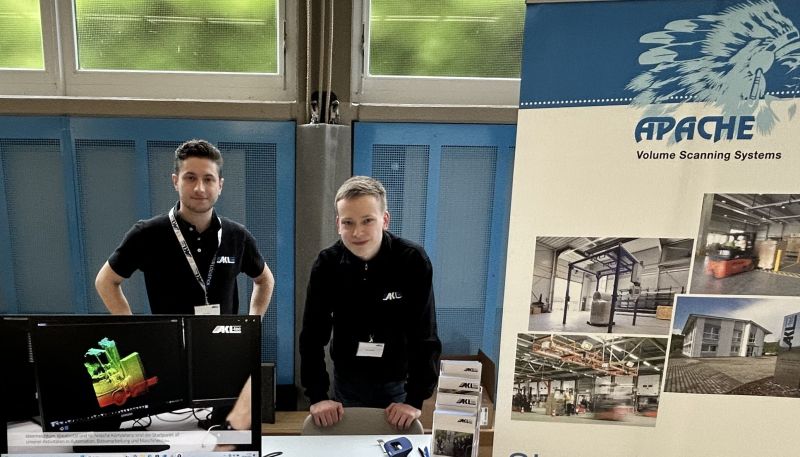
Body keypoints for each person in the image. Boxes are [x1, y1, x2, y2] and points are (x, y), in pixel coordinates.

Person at [95, 139, 274, 430]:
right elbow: (106, 281)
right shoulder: (148, 234)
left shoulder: (236, 235)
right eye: (190, 178)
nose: (200, 188)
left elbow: (264, 279)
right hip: (168, 358)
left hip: (224, 357)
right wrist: (129, 329)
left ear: (220, 185)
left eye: (208, 179)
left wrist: (252, 324)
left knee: (226, 440)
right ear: (175, 181)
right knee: (166, 433)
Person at [299, 176, 442, 430]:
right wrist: (319, 396)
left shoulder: (412, 260)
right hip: (347, 382)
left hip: (397, 383)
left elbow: (425, 335)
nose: (357, 232)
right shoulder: (327, 265)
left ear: (385, 220)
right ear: (338, 224)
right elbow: (312, 336)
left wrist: (415, 399)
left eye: (368, 220)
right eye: (348, 222)